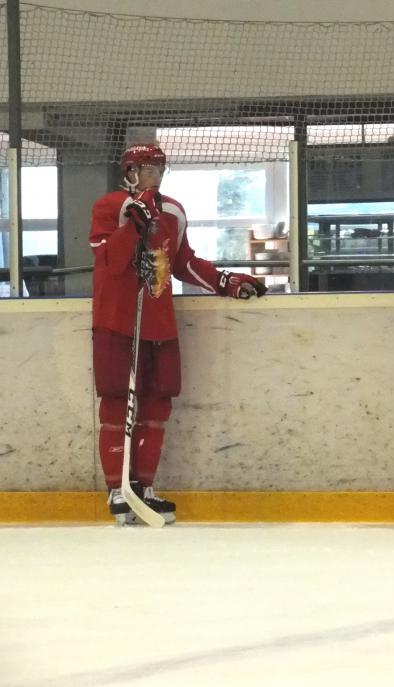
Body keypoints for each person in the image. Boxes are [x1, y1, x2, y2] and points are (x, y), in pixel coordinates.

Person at [90, 143, 267, 525]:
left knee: (157, 406)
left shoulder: (171, 211)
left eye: (159, 169)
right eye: (147, 169)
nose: (154, 176)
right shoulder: (110, 207)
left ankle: (144, 488)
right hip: (117, 322)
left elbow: (182, 261)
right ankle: (117, 490)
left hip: (158, 323)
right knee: (117, 404)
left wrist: (224, 281)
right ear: (130, 171)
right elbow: (110, 261)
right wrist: (133, 225)